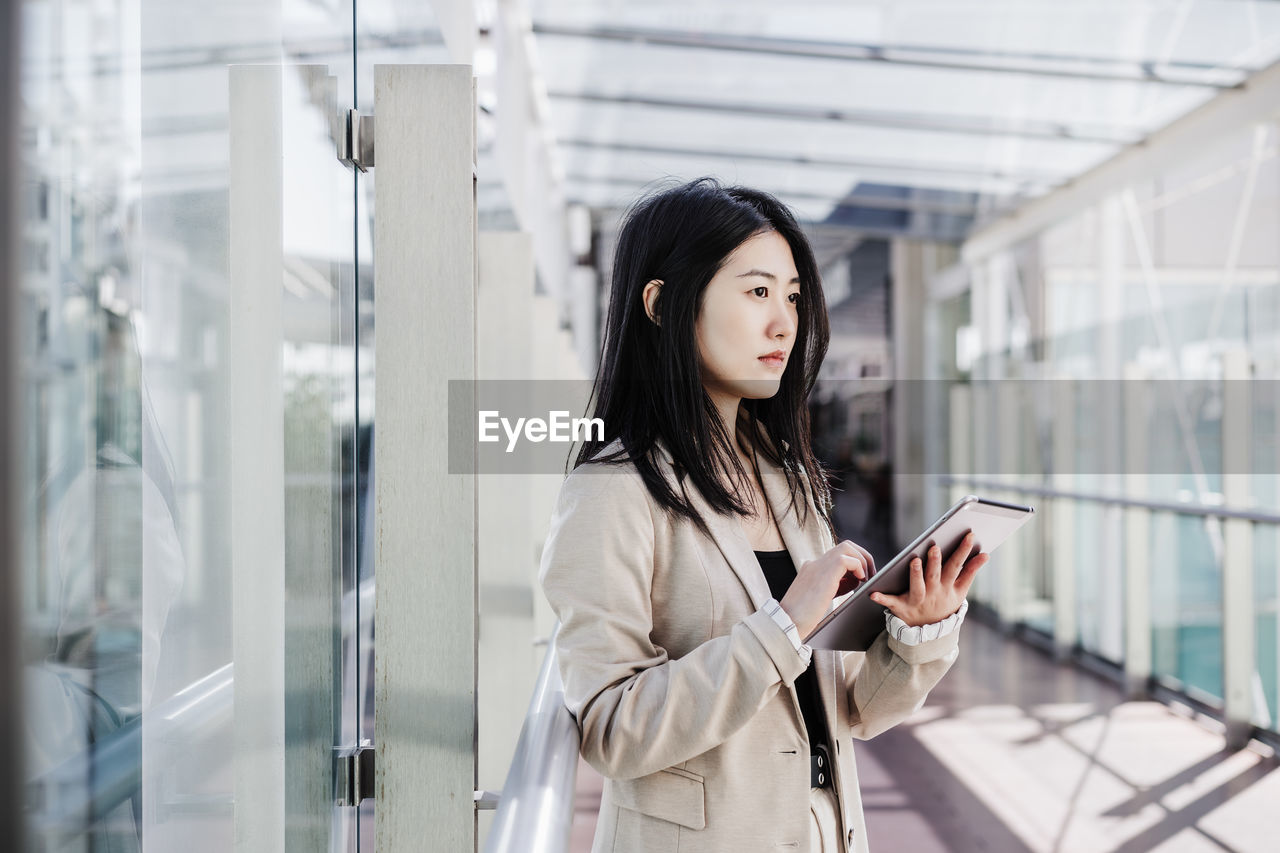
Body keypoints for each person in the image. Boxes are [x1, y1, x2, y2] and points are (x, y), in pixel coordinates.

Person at [538, 178, 987, 853]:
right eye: (757, 292)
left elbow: (851, 709)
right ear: (662, 304)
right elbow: (611, 726)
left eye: (793, 296)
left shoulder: (788, 480)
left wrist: (914, 636)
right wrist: (781, 624)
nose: (785, 321)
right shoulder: (614, 491)